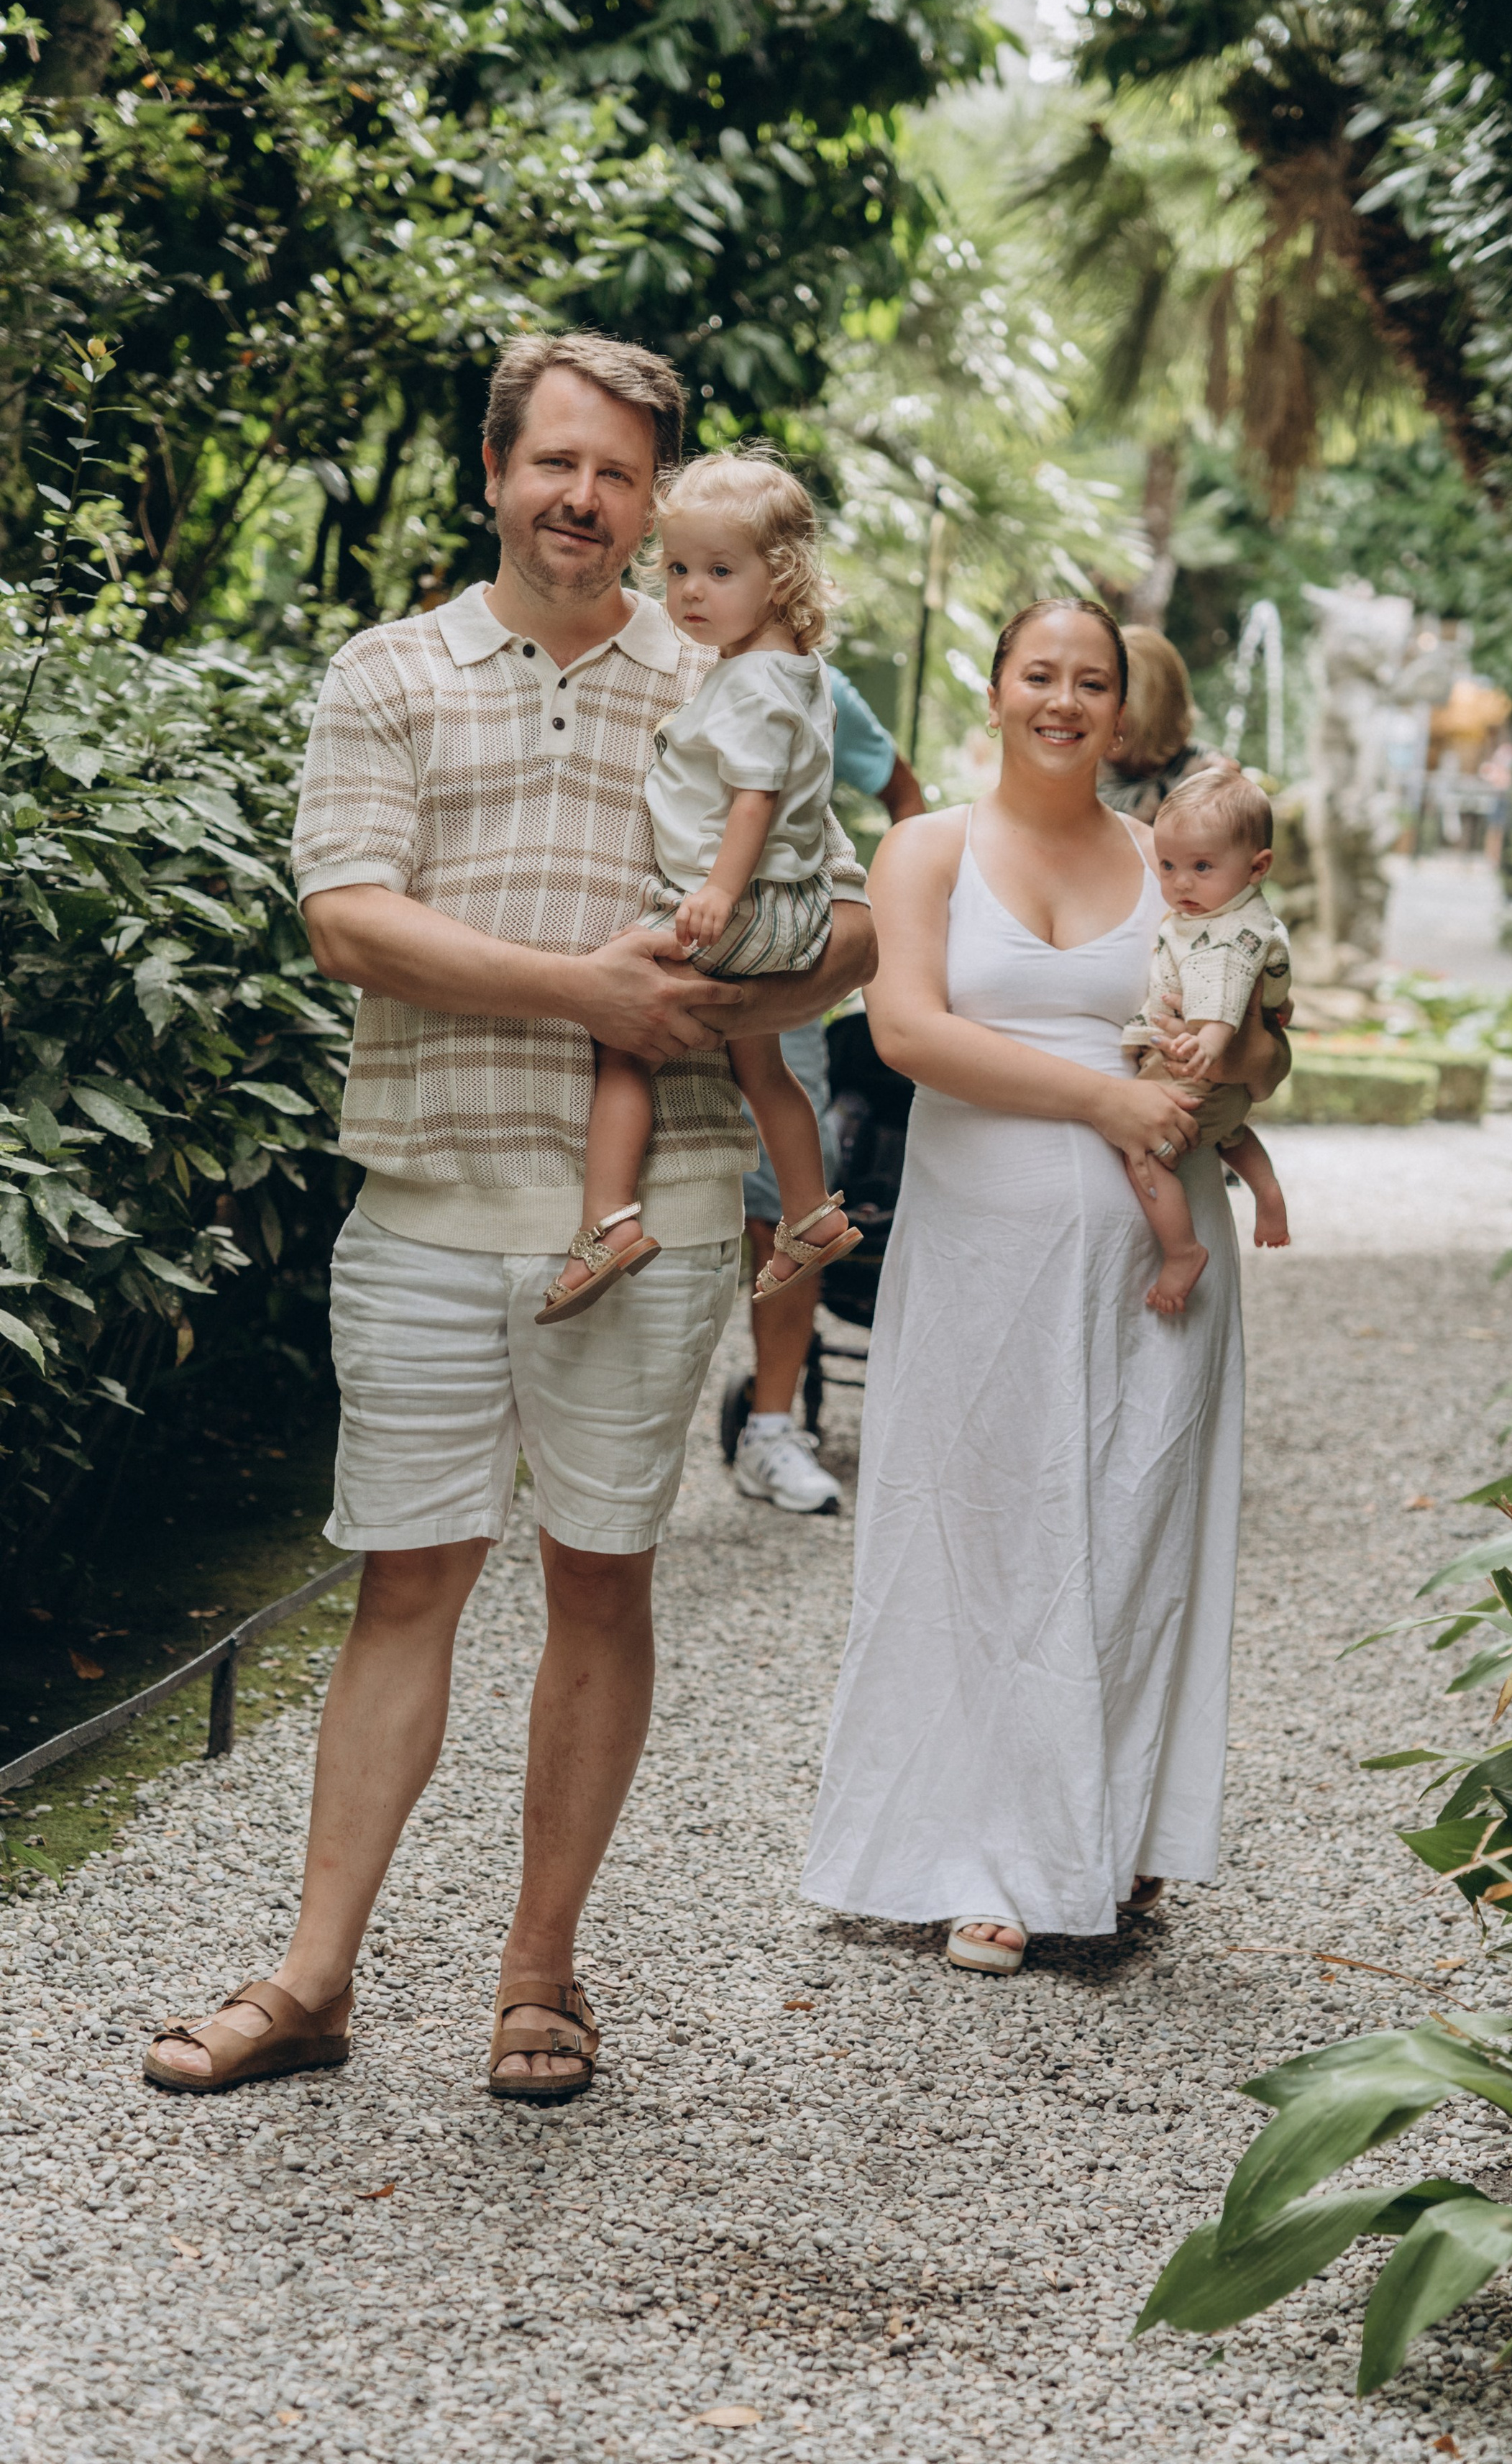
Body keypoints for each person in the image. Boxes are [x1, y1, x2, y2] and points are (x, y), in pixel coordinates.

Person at [143, 330, 874, 2103]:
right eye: (554, 462)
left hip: (662, 1199)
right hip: (427, 1192)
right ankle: (315, 1978)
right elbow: (351, 919)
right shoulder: (389, 670)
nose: (583, 499)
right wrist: (592, 994)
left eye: (620, 473)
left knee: (601, 1576)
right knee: (406, 1578)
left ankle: (540, 1974)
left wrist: (731, 990)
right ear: (493, 471)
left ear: (656, 498)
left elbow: (852, 931)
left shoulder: (719, 666)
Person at [800, 596, 1288, 1974]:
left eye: (1092, 682)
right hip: (978, 1257)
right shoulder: (928, 848)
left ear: (1123, 709)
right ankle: (977, 1855)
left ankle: (1102, 1836)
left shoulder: (1171, 860)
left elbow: (1261, 1050)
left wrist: (1239, 1068)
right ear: (1000, 686)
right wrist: (1103, 1102)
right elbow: (905, 1031)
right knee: (978, 1524)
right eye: (1040, 675)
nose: (1064, 701)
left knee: (1133, 1526)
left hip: (1157, 1266)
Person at [539, 450, 859, 1323]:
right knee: (760, 1063)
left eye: (720, 571)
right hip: (787, 906)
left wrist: (716, 892)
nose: (690, 592)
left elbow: (753, 799)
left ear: (781, 576)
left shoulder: (752, 683)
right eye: (678, 568)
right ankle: (809, 1213)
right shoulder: (790, 668)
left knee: (622, 1034)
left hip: (742, 903)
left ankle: (606, 1224)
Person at [733, 669, 922, 1515]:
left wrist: (903, 934)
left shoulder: (818, 688)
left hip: (782, 977)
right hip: (660, 940)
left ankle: (772, 1426)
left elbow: (904, 795)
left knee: (785, 1203)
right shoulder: (643, 658)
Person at [1121, 764, 1293, 1312]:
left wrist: (1211, 1046)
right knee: (1228, 1129)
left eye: (1200, 867)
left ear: (1257, 867)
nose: (1181, 884)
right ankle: (1266, 1190)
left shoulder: (1229, 933)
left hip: (1195, 1061)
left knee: (1145, 1152)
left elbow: (1225, 994)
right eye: (1168, 866)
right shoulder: (1229, 908)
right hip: (1212, 1072)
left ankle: (1181, 1250)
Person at [1096, 623, 1221, 819]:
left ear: (1156, 712)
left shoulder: (1209, 778)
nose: (1107, 720)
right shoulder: (1081, 769)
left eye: (1120, 709)